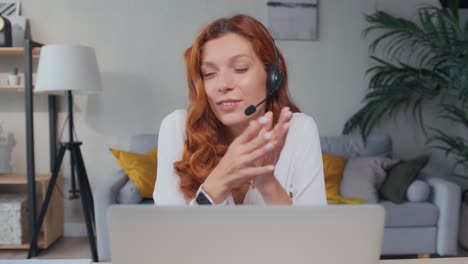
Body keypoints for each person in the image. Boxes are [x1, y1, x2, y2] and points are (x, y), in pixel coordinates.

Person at [153, 14, 326, 206]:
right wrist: (217, 184)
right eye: (209, 74)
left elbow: (310, 234)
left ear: (272, 77)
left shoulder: (300, 130)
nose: (223, 85)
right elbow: (170, 234)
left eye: (240, 68)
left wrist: (267, 184)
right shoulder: (178, 128)